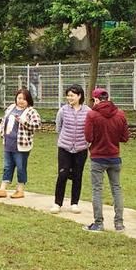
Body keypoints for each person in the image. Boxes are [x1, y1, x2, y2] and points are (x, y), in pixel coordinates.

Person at [83, 87, 129, 231]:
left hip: (98, 157)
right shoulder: (120, 114)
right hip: (115, 157)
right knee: (116, 189)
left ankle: (98, 223)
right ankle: (119, 223)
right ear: (108, 98)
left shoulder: (92, 115)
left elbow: (88, 137)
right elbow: (125, 137)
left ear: (96, 99)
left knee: (97, 189)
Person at [0, 88, 42, 199]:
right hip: (8, 144)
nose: (21, 101)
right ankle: (2, 189)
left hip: (22, 146)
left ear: (28, 100)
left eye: (24, 99)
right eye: (19, 98)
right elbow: (3, 121)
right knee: (7, 166)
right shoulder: (11, 108)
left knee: (20, 167)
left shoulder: (31, 111)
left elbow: (37, 125)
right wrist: (2, 132)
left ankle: (20, 190)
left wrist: (24, 122)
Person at [50, 84, 91, 214]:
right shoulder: (62, 110)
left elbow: (90, 129)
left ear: (79, 96)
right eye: (68, 95)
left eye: (72, 95)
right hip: (64, 148)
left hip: (81, 149)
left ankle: (74, 203)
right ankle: (57, 203)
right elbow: (59, 127)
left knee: (77, 176)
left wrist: (85, 143)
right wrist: (66, 139)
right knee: (62, 174)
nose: (69, 98)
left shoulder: (88, 111)